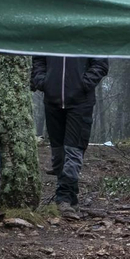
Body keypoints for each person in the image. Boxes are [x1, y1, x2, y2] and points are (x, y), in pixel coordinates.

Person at [31, 54, 108, 209]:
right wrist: (43, 81)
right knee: (58, 153)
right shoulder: (52, 32)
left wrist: (84, 83)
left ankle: (63, 196)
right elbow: (38, 58)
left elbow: (101, 63)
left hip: (81, 103)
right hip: (52, 101)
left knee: (74, 150)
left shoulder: (90, 32)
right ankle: (70, 196)